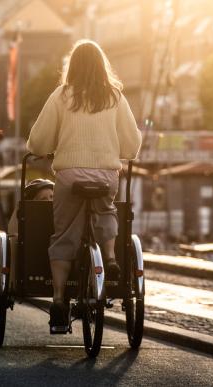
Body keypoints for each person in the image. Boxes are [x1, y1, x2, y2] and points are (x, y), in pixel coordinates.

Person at [26, 40, 142, 331]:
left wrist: (49, 146)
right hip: (105, 176)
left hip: (69, 177)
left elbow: (38, 142)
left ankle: (58, 300)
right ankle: (111, 257)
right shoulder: (115, 97)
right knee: (106, 211)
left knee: (64, 233)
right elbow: (132, 145)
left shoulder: (62, 96)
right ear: (102, 66)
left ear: (72, 67)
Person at [7, 178, 54, 289]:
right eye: (43, 199)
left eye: (52, 197)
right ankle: (12, 285)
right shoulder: (29, 216)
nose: (49, 201)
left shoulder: (60, 212)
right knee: (13, 240)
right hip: (33, 250)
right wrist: (19, 207)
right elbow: (12, 231)